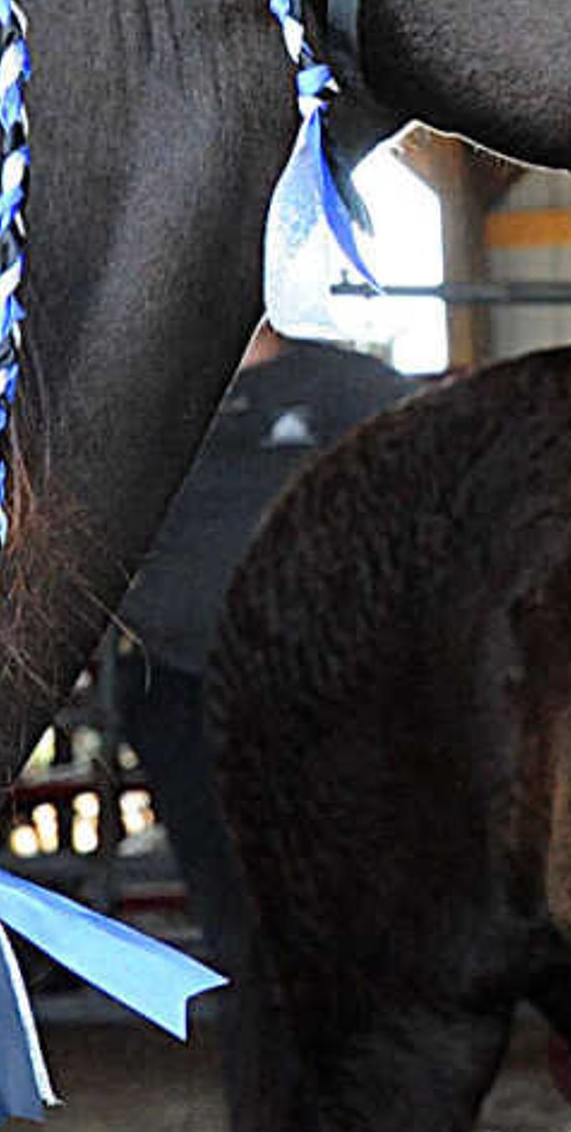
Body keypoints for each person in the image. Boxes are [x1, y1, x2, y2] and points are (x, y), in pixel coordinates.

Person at [115, 320, 412, 981]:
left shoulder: (352, 390)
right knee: (228, 896)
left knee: (340, 879)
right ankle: (266, 1045)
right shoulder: (144, 397)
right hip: (178, 683)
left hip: (322, 684)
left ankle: (348, 1035)